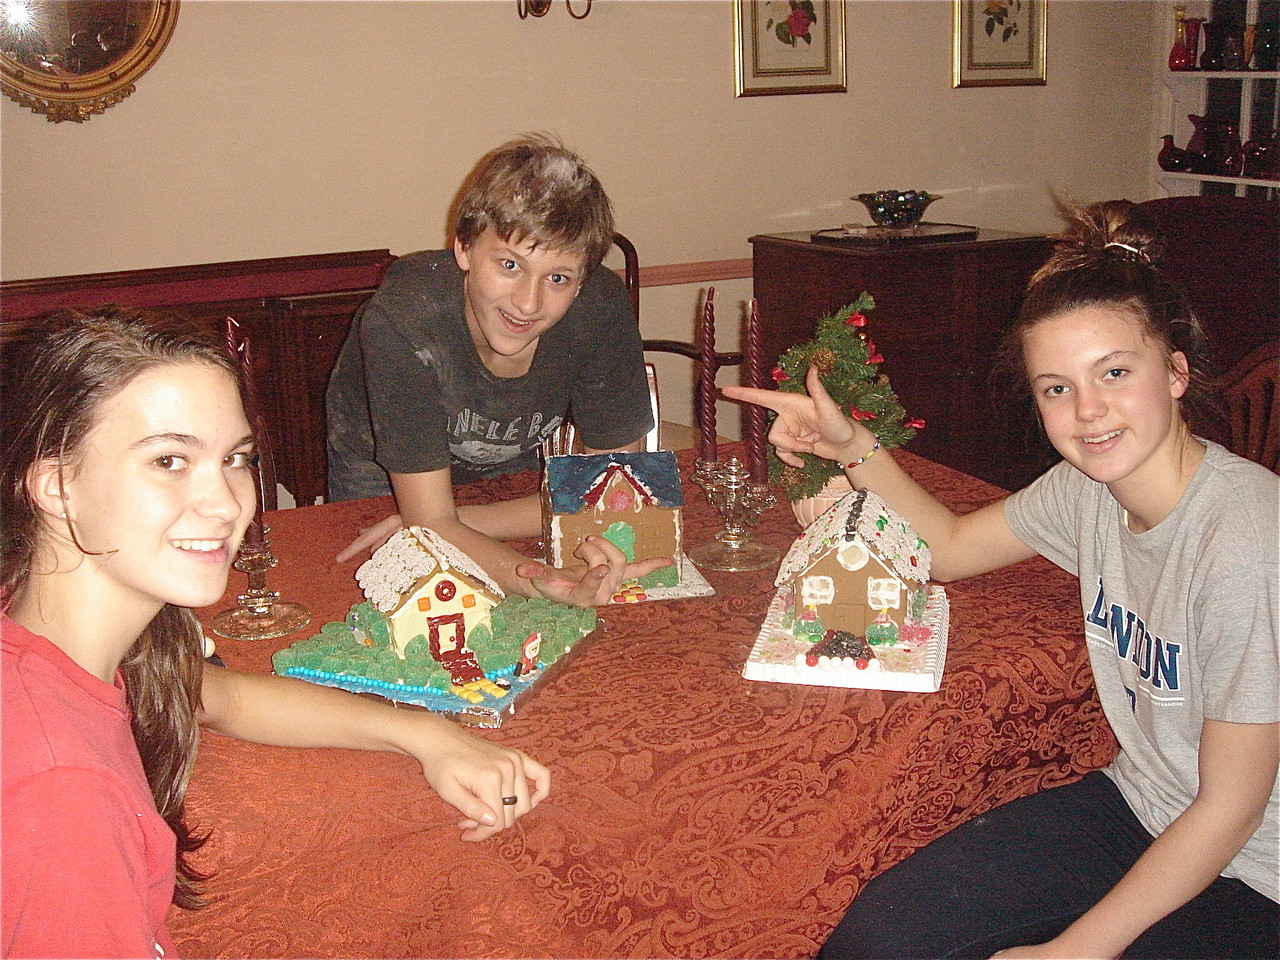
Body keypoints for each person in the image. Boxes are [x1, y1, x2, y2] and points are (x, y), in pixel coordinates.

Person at [724, 200, 1278, 959]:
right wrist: (851, 444)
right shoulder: (1090, 489)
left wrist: (1070, 953)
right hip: (1142, 806)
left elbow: (1232, 811)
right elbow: (947, 546)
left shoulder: (1247, 536)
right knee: (884, 935)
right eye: (1056, 388)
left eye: (1114, 373)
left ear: (1176, 371)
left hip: (1258, 870)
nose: (1088, 412)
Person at [1, 308, 552, 959]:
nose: (229, 502)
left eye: (235, 458)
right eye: (170, 460)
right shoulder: (61, 791)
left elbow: (213, 695)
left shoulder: (59, 637)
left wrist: (428, 734)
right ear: (56, 486)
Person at [326, 133, 667, 607]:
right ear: (463, 248)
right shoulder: (403, 322)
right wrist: (545, 583)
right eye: (509, 264)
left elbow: (611, 485)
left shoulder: (600, 309)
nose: (528, 303)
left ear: (584, 280)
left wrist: (456, 520)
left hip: (510, 474)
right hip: (381, 476)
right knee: (398, 602)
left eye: (558, 278)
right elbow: (427, 522)